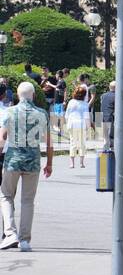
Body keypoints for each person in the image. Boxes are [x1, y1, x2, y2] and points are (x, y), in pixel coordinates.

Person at [0, 82, 53, 251]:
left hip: (12, 160)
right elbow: (50, 143)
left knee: (6, 195)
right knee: (28, 200)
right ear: (33, 95)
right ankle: (25, 240)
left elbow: (2, 138)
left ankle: (10, 234)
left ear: (17, 94)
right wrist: (49, 163)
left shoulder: (9, 112)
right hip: (33, 161)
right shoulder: (42, 113)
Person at [66, 86, 91, 168]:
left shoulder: (71, 102)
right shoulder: (85, 104)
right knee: (82, 144)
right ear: (84, 95)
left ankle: (72, 163)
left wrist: (67, 123)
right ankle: (81, 163)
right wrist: (88, 127)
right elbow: (86, 117)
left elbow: (67, 114)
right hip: (81, 124)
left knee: (72, 143)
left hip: (72, 124)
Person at [101, 80, 116, 150]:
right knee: (111, 139)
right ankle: (110, 158)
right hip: (110, 118)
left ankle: (104, 158)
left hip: (100, 117)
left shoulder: (103, 95)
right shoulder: (117, 96)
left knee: (105, 139)